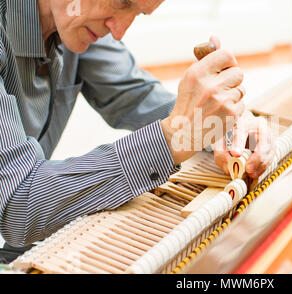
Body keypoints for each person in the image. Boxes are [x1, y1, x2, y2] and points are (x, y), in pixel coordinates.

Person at [0, 0, 275, 257]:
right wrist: (173, 138)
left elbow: (136, 95)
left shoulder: (79, 19)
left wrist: (221, 124)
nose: (118, 32)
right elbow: (19, 202)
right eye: (122, 1)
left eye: (138, 13)